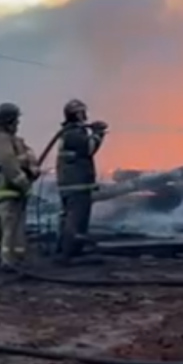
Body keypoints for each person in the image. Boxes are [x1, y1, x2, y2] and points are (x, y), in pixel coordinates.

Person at [0, 102, 38, 271]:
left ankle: (16, 258)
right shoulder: (0, 138)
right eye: (16, 120)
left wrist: (33, 168)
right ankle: (7, 261)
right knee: (9, 226)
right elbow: (8, 163)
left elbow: (29, 155)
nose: (18, 124)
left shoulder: (15, 140)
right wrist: (23, 182)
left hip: (15, 189)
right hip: (6, 187)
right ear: (9, 121)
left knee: (14, 225)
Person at [55, 99, 107, 259]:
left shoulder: (70, 132)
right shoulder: (73, 134)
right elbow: (89, 148)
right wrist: (98, 133)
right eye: (83, 112)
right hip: (76, 185)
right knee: (77, 219)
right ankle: (71, 253)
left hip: (72, 184)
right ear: (77, 114)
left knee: (70, 218)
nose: (85, 115)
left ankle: (67, 249)